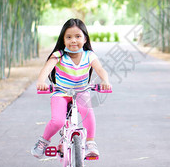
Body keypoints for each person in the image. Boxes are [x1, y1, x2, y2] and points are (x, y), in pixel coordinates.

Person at [31, 18, 111, 159]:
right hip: (61, 93)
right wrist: (41, 81)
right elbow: (46, 68)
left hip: (81, 92)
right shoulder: (59, 55)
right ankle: (43, 141)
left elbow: (100, 69)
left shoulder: (89, 55)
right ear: (63, 39)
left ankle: (90, 143)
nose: (73, 40)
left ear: (85, 39)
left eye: (78, 36)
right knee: (58, 121)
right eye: (69, 37)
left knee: (88, 113)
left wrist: (105, 80)